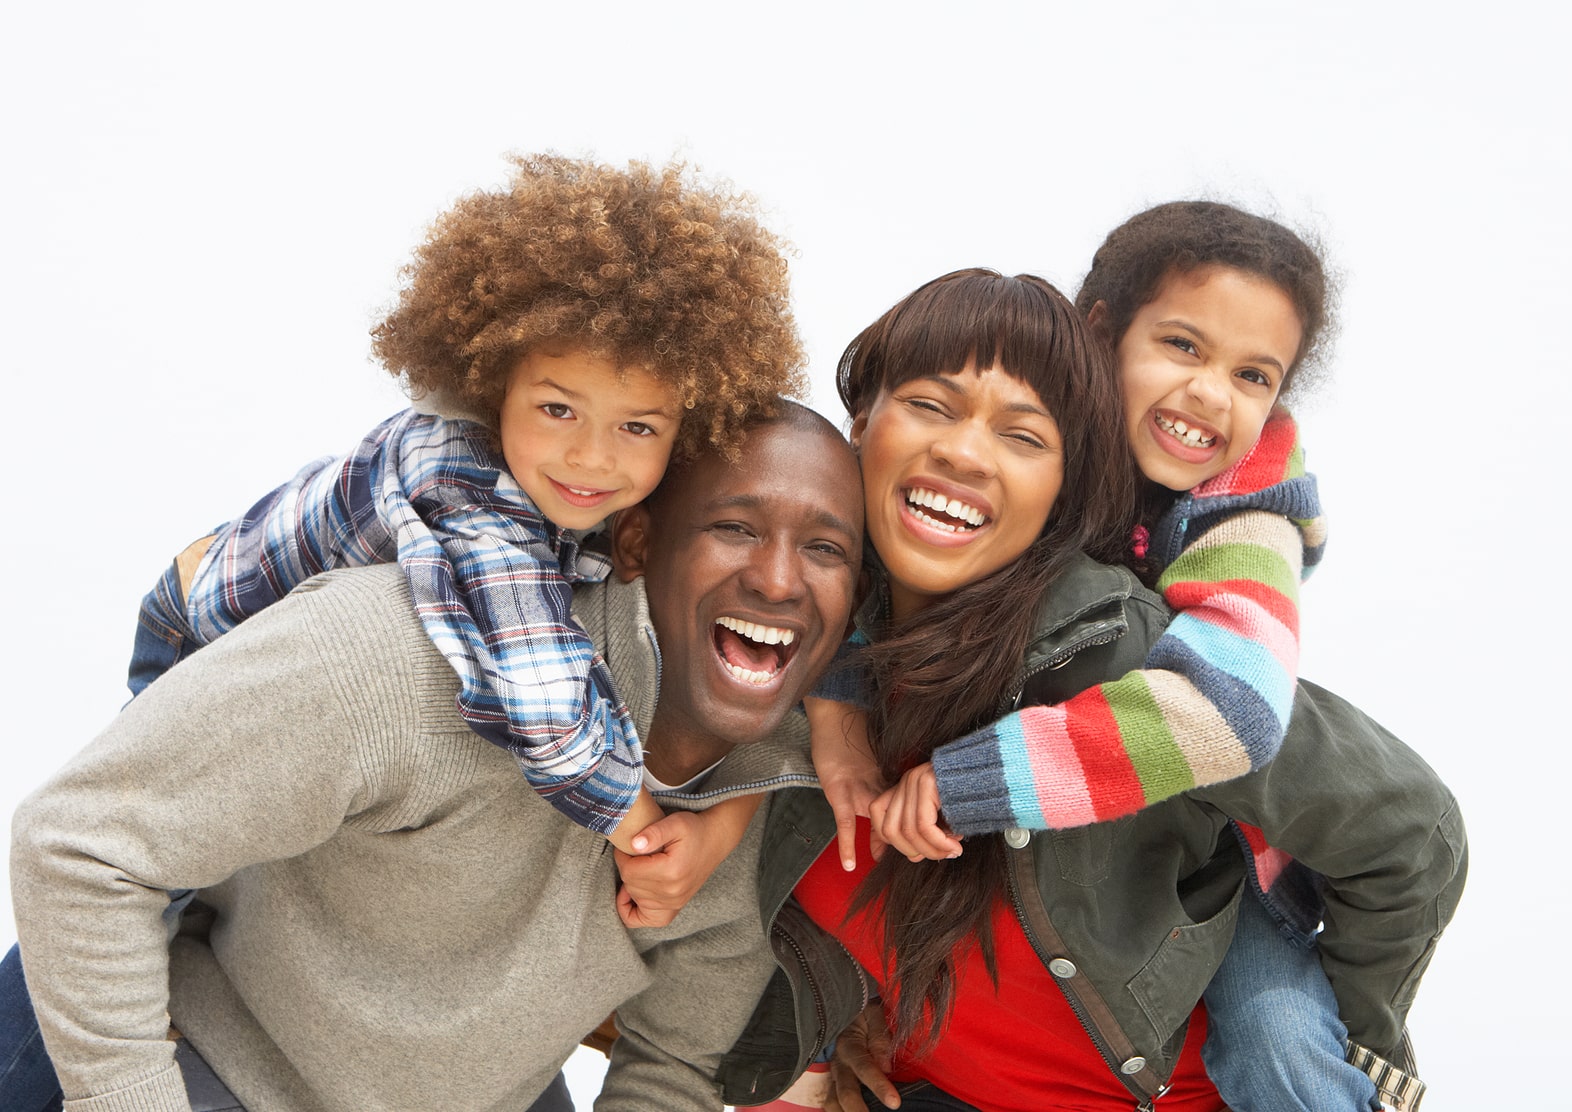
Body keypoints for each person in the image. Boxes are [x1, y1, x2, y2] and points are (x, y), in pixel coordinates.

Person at [716, 272, 1465, 1112]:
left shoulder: (1143, 666)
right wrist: (819, 1038)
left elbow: (1410, 827)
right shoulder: (767, 645)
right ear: (861, 424)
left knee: (1279, 1029)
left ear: (1067, 485)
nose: (964, 453)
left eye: (1023, 436)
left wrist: (1352, 1035)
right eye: (931, 405)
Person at [3, 402, 864, 1112]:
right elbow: (79, 843)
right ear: (637, 542)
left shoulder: (779, 794)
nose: (781, 580)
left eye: (825, 548)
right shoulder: (398, 657)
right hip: (215, 1064)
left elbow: (672, 1066)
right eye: (733, 527)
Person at [129, 151, 804, 868]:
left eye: (637, 427)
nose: (593, 458)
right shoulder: (462, 480)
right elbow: (542, 693)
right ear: (492, 385)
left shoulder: (591, 484)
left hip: (312, 674)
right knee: (157, 851)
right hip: (203, 623)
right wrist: (639, 827)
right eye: (557, 409)